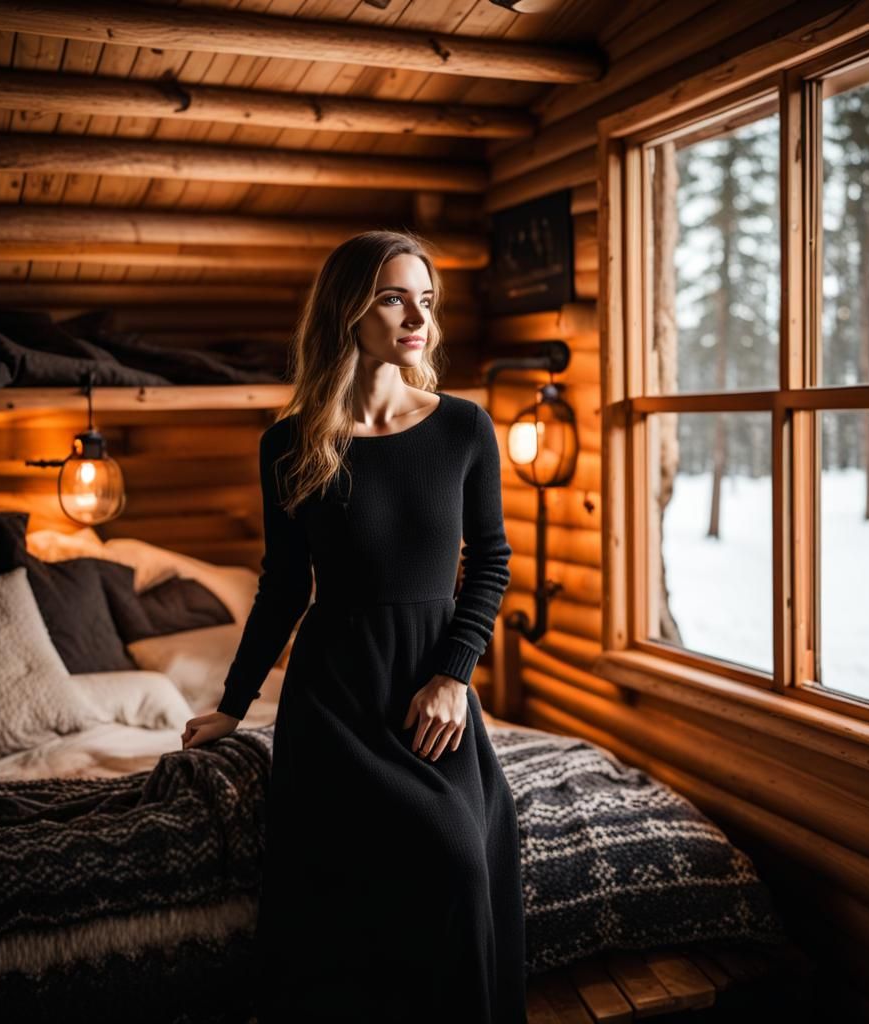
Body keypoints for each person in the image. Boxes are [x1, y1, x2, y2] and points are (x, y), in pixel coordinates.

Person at [180, 229, 528, 1024]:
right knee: (402, 873)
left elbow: (493, 561)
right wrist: (234, 705)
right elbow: (282, 589)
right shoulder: (290, 446)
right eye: (394, 297)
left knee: (469, 863)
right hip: (334, 701)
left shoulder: (464, 429)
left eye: (427, 302)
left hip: (431, 698)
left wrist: (453, 676)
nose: (417, 318)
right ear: (348, 310)